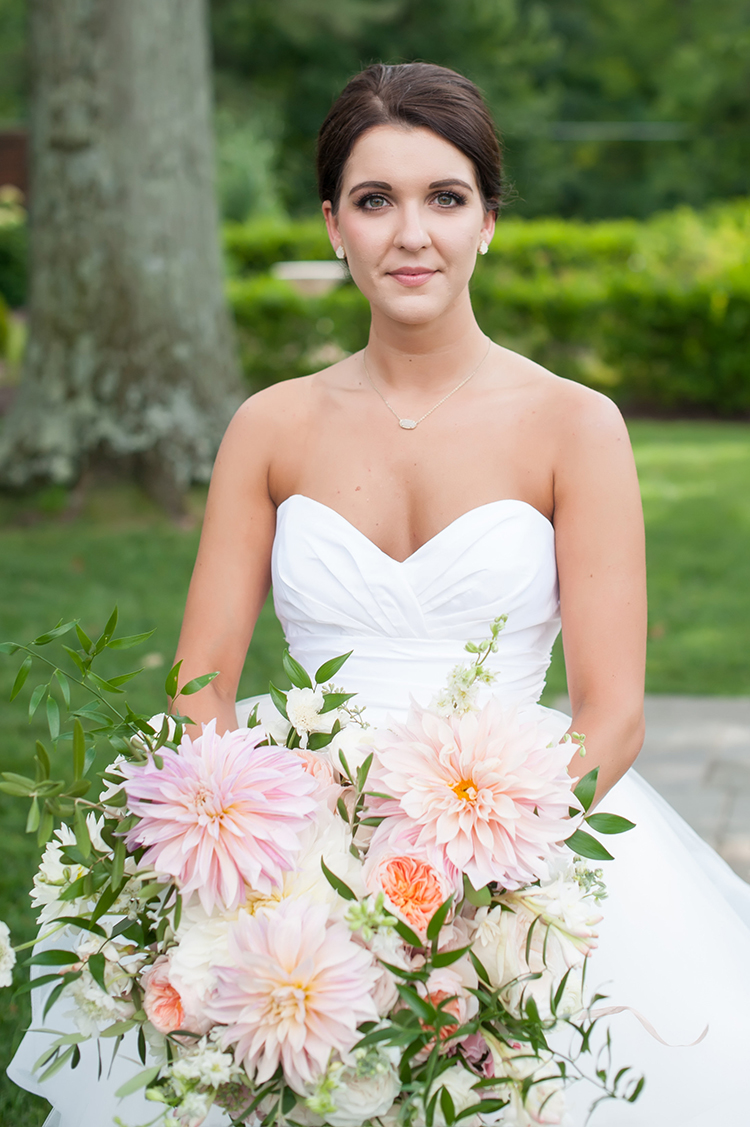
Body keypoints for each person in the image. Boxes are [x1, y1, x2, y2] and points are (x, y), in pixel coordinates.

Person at [9, 62, 750, 1127]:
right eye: (376, 199)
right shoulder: (270, 426)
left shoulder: (576, 426)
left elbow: (613, 713)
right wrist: (266, 869)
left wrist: (484, 883)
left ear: (488, 220)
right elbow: (200, 680)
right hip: (296, 844)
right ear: (332, 226)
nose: (413, 233)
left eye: (445, 197)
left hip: (514, 846)